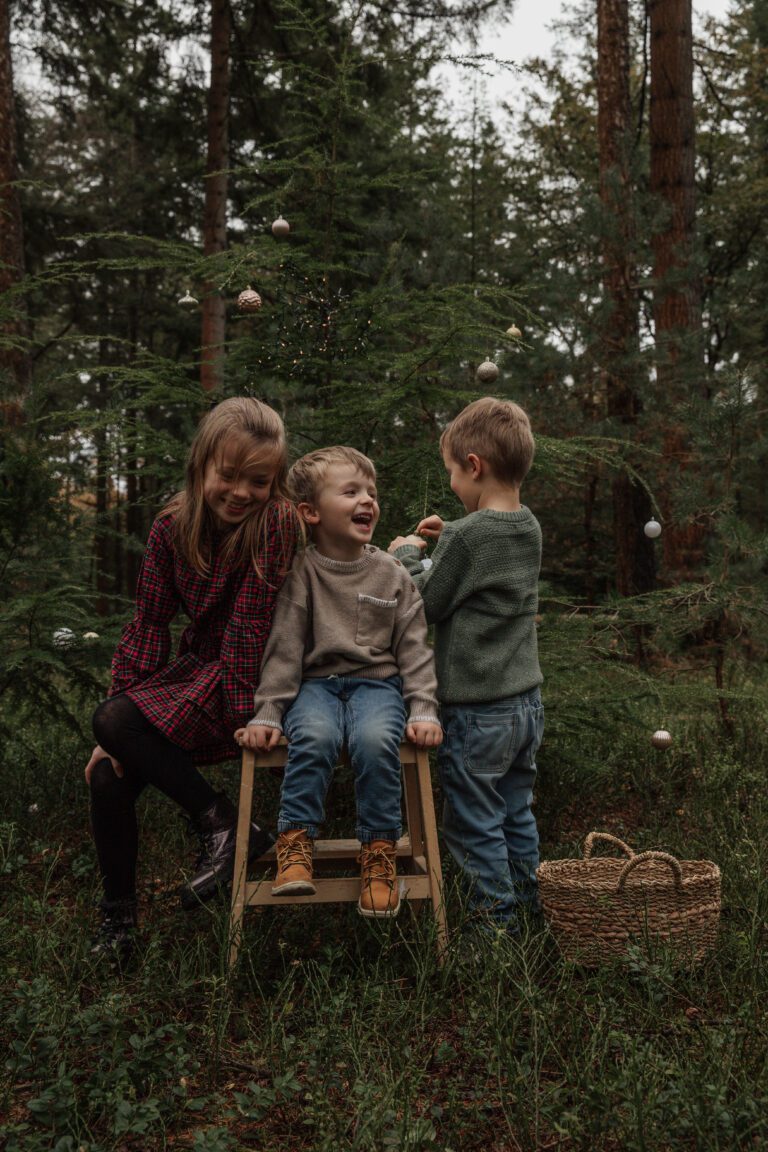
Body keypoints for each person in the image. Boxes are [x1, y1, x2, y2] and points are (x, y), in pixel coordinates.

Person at [84, 396, 300, 959]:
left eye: (257, 480)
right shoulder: (169, 528)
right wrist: (114, 737)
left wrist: (243, 715)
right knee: (107, 770)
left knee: (116, 722)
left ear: (273, 483)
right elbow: (149, 625)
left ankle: (223, 826)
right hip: (198, 669)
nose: (240, 492)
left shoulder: (274, 522)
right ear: (202, 465)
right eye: (227, 475)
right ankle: (120, 922)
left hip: (259, 677)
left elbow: (251, 628)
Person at [236, 446, 442, 918]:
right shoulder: (303, 573)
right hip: (315, 686)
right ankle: (296, 843)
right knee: (314, 735)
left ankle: (378, 853)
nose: (367, 499)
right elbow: (285, 649)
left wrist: (424, 708)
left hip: (377, 687)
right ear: (310, 512)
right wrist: (268, 712)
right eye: (350, 491)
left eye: (370, 491)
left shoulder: (392, 573)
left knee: (375, 740)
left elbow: (414, 647)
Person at [388, 397, 544, 936]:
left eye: (454, 472)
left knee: (474, 821)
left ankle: (494, 930)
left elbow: (425, 604)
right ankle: (531, 907)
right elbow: (484, 557)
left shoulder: (466, 537)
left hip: (479, 712)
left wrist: (406, 553)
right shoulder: (527, 526)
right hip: (526, 704)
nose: (453, 482)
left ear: (474, 465)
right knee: (515, 810)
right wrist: (453, 528)